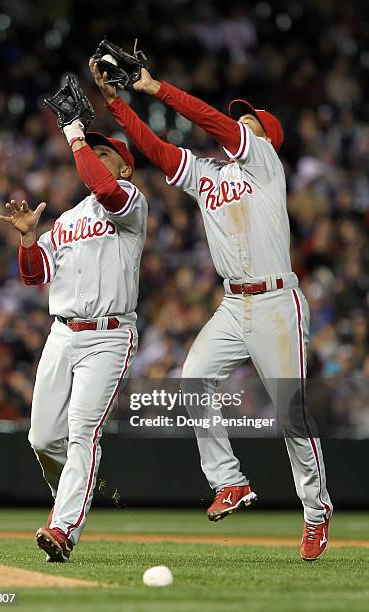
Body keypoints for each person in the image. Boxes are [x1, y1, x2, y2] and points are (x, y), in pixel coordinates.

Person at [91, 59, 332, 561]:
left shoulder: (265, 164)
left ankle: (316, 511)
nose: (238, 124)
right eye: (240, 120)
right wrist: (117, 102)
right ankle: (229, 482)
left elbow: (211, 121)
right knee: (194, 377)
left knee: (291, 414)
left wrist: (154, 87)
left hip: (275, 303)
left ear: (266, 137)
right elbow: (156, 151)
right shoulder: (208, 175)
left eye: (249, 121)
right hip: (233, 303)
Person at [0, 88, 148, 562]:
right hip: (62, 334)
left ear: (124, 168)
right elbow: (33, 274)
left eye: (107, 154)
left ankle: (63, 526)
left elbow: (103, 188)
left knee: (83, 431)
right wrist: (28, 238)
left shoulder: (129, 202)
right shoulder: (65, 221)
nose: (96, 158)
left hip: (108, 336)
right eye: (93, 152)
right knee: (42, 437)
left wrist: (76, 133)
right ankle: (74, 493)